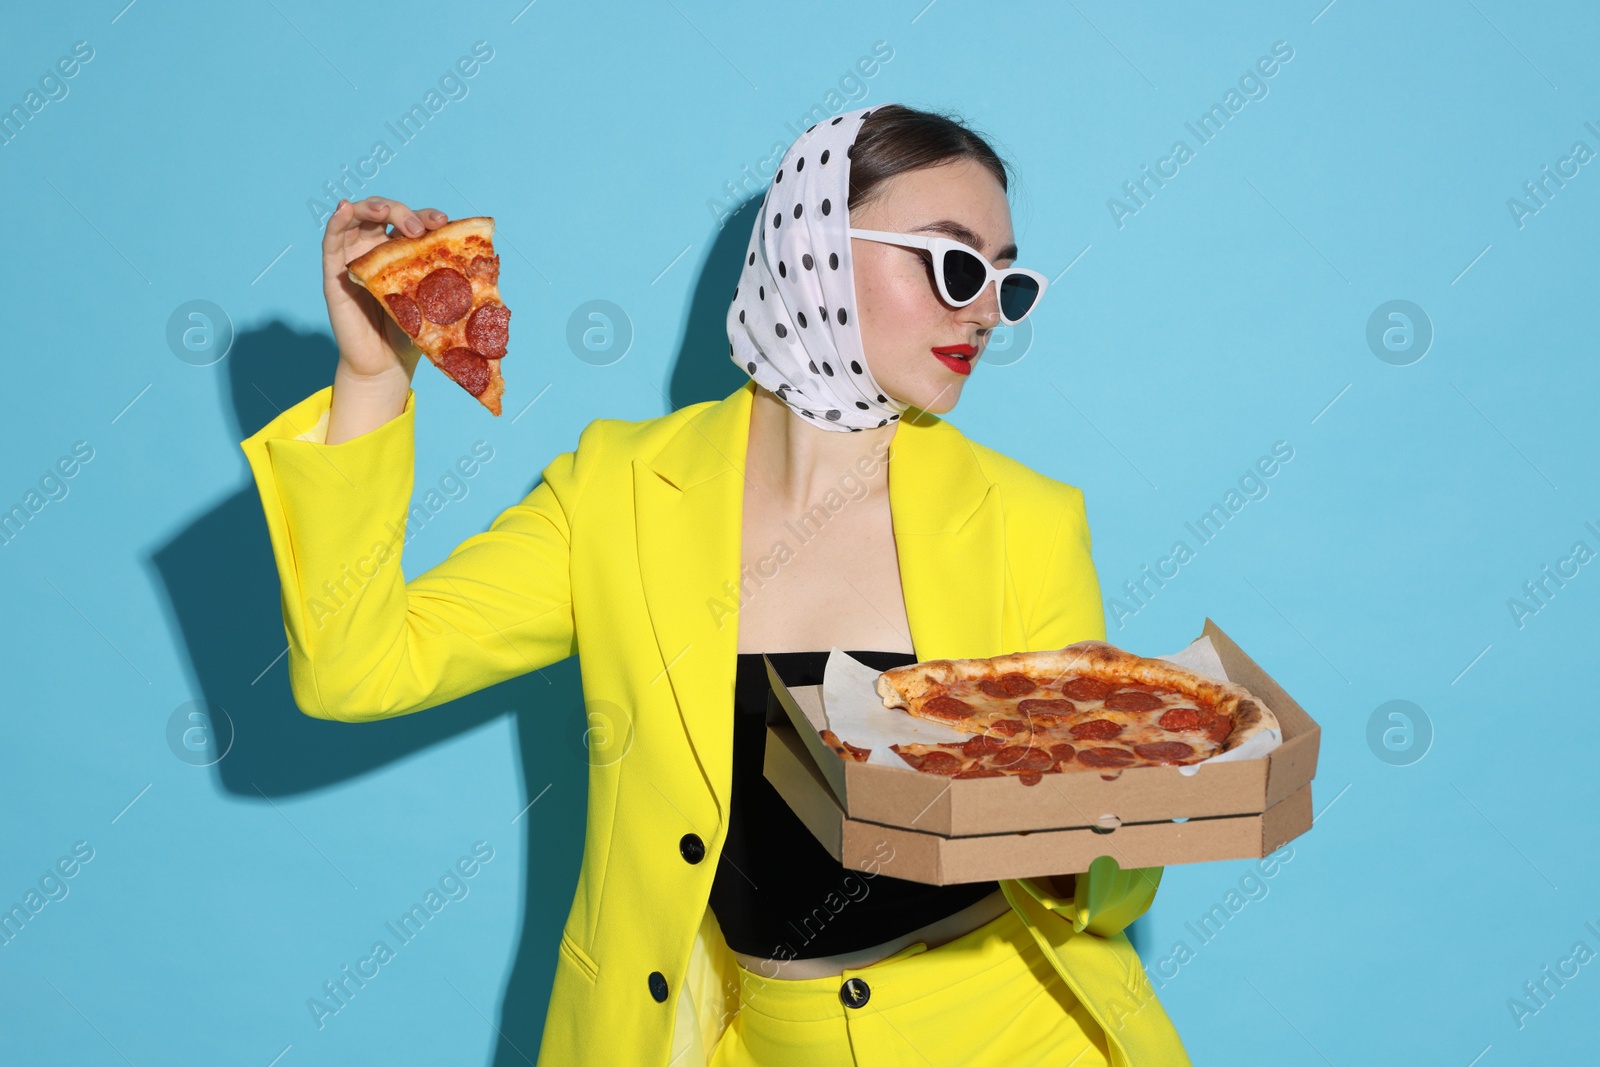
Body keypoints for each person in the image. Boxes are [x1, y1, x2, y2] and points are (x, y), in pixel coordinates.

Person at [240, 103, 1191, 1066]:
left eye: (1007, 281)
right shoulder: (616, 492)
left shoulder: (1026, 519)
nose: (985, 309)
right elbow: (352, 669)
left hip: (1007, 1034)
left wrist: (1097, 840)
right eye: (953, 265)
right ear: (814, 245)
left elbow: (1115, 884)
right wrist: (371, 382)